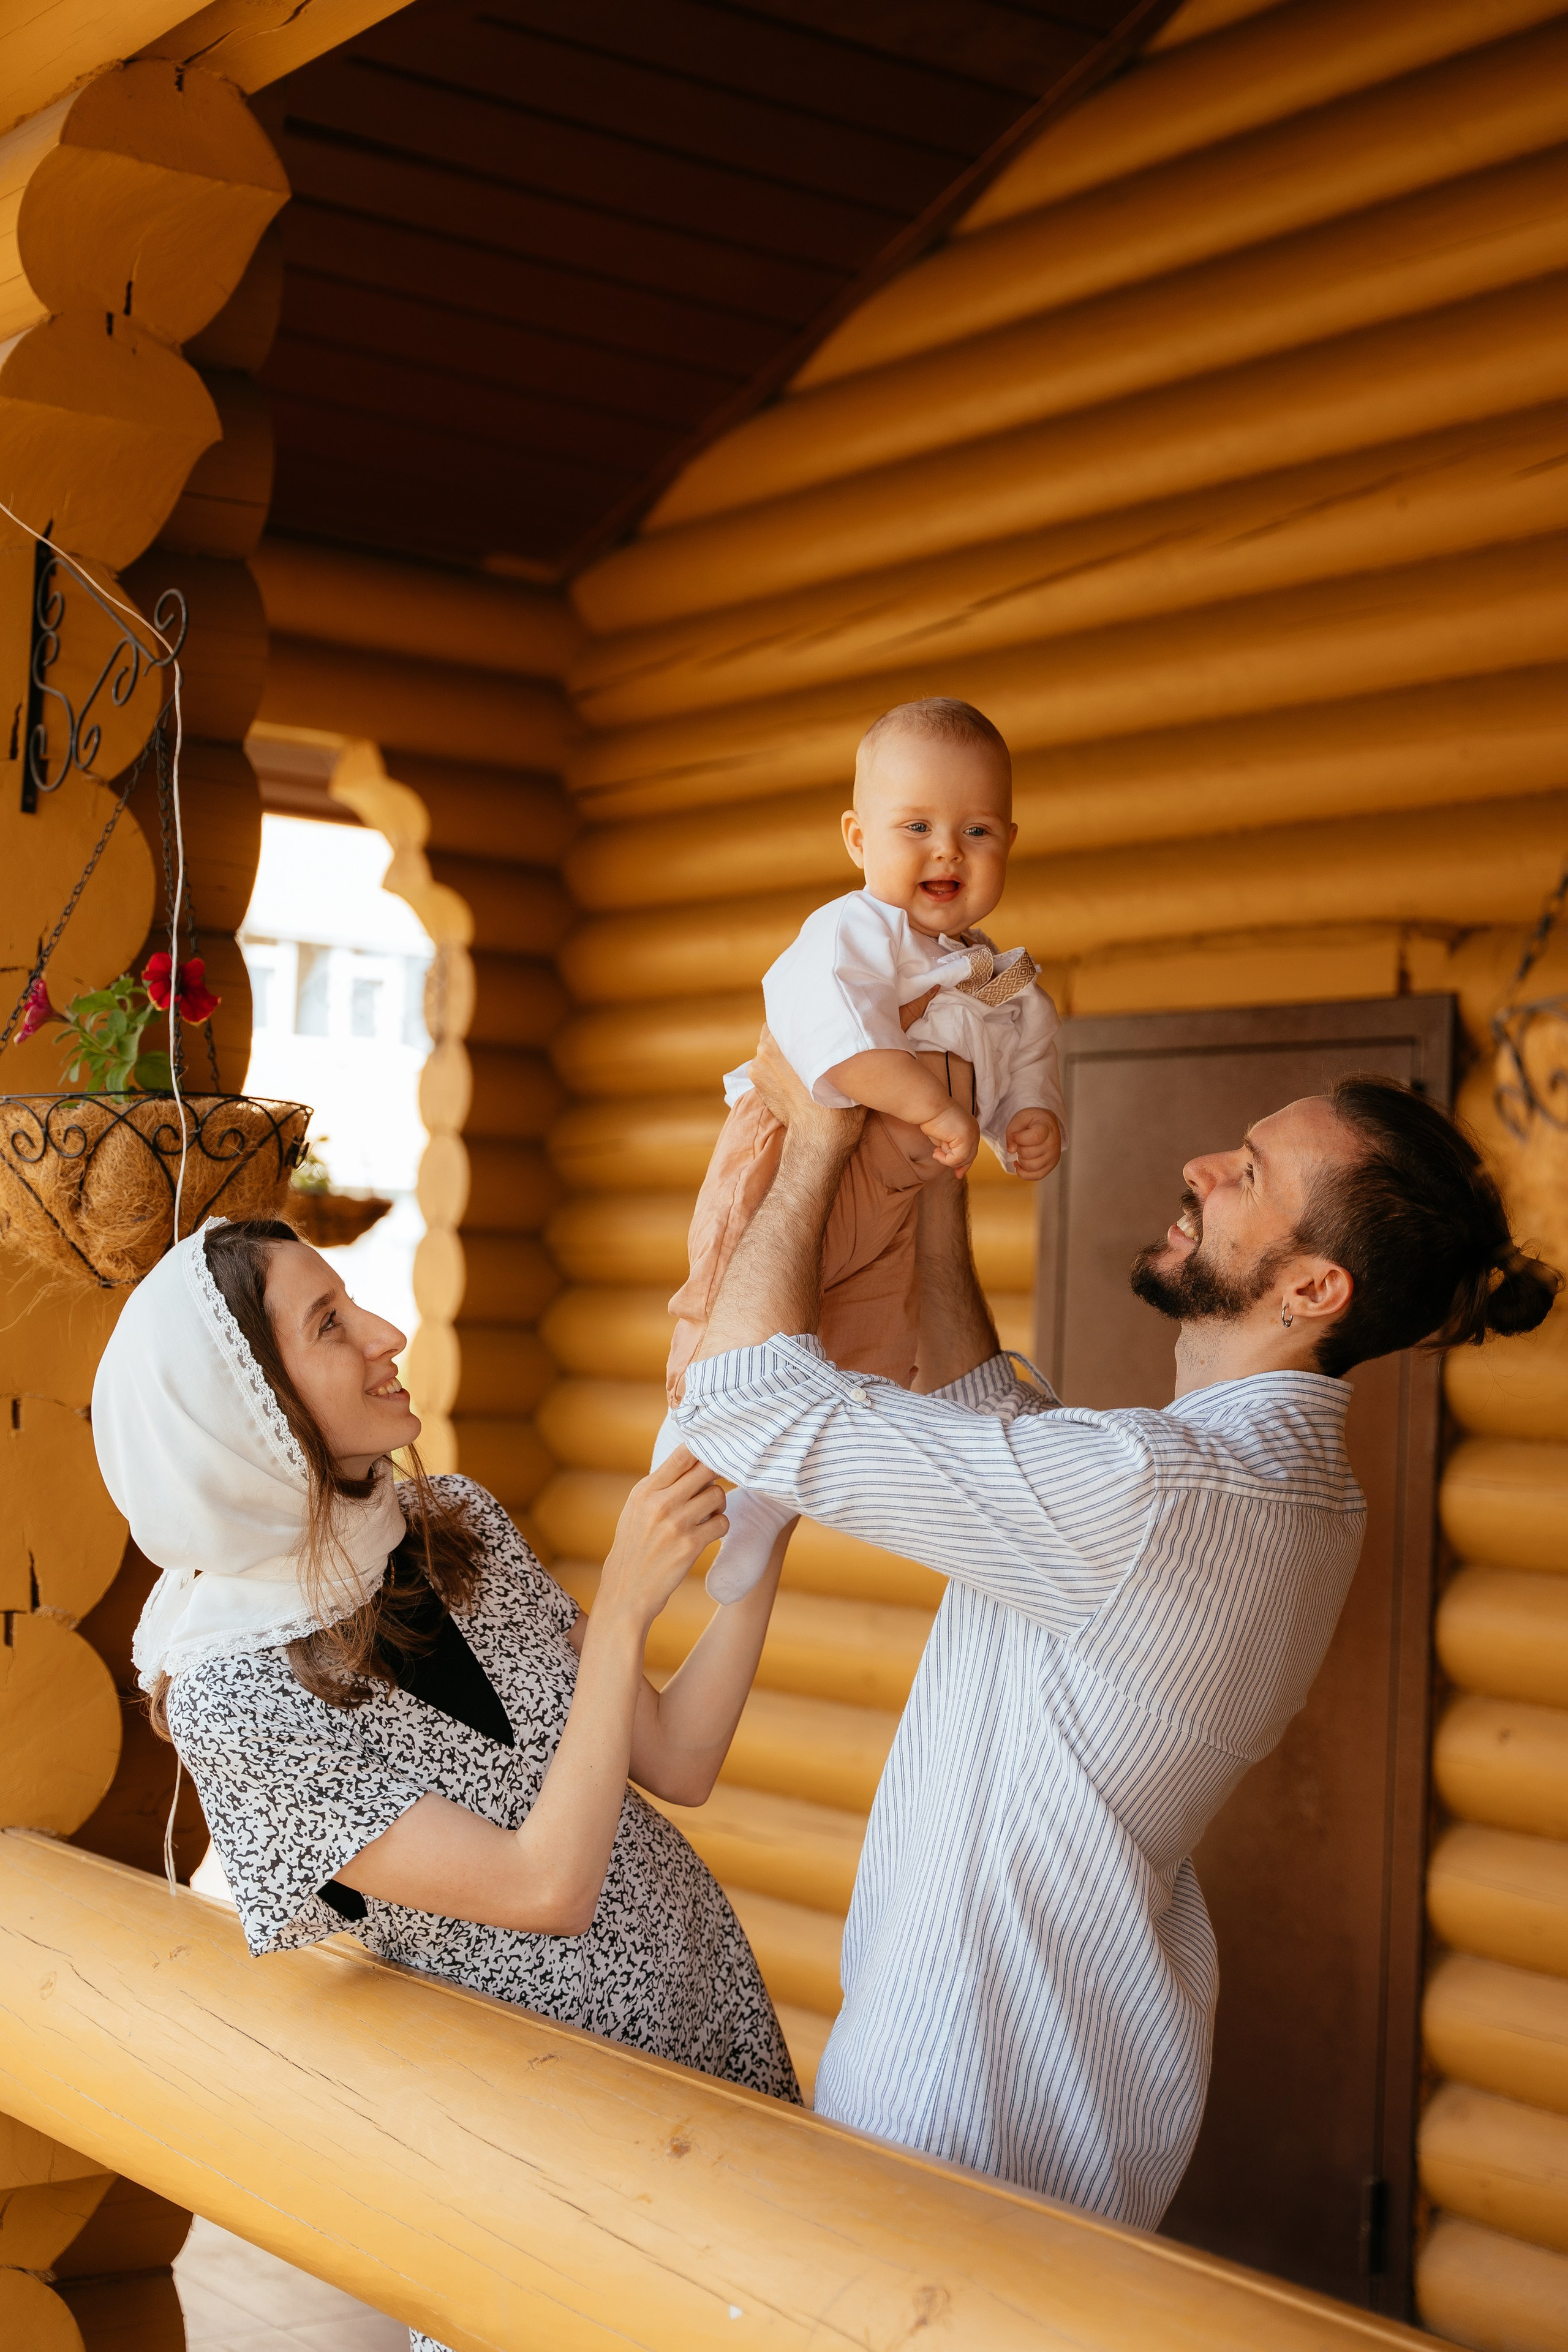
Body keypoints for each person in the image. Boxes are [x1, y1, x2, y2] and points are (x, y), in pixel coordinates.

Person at [670, 1047, 1559, 2228]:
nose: (1199, 1167)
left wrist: (820, 1125)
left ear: (1312, 1291)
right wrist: (937, 1173)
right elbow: (993, 1416)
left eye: (1245, 1173)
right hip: (1056, 2089)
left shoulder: (1160, 1492)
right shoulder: (1287, 1488)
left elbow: (739, 1405)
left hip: (964, 2106)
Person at [91, 1218, 801, 2350]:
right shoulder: (232, 1700)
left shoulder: (453, 1523)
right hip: (547, 2138)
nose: (386, 1332)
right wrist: (621, 1609)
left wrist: (762, 1533)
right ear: (246, 1418)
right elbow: (544, 1885)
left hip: (711, 2026)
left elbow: (677, 1758)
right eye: (330, 1326)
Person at [657, 696, 1066, 1604]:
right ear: (857, 838)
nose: (947, 851)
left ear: (1009, 841)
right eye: (915, 826)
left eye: (977, 830)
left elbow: (1027, 1047)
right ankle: (672, 1465)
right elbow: (828, 1038)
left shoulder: (996, 974)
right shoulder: (853, 932)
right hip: (799, 1174)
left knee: (864, 1349)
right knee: (737, 1314)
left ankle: (764, 1527)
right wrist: (933, 1104)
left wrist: (1028, 1117)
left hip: (894, 1207)